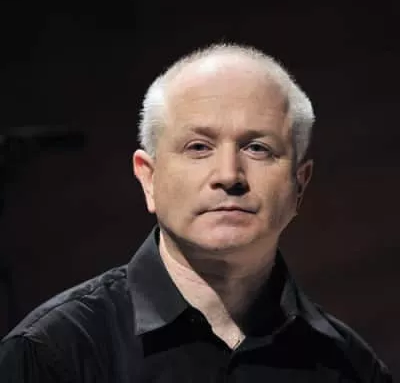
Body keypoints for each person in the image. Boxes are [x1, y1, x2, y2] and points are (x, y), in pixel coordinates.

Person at [0, 44, 393, 382]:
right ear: (149, 179)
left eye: (257, 148)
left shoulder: (351, 367)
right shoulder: (51, 354)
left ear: (299, 185)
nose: (229, 175)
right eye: (199, 147)